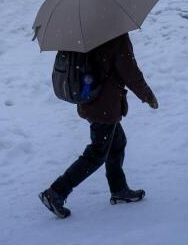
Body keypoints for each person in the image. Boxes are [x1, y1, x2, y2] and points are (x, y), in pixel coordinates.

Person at [39, 32, 158, 218]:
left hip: (89, 98)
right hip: (105, 104)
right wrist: (147, 95)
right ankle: (56, 192)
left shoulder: (82, 32)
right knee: (97, 153)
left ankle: (118, 189)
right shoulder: (116, 34)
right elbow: (130, 72)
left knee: (117, 142)